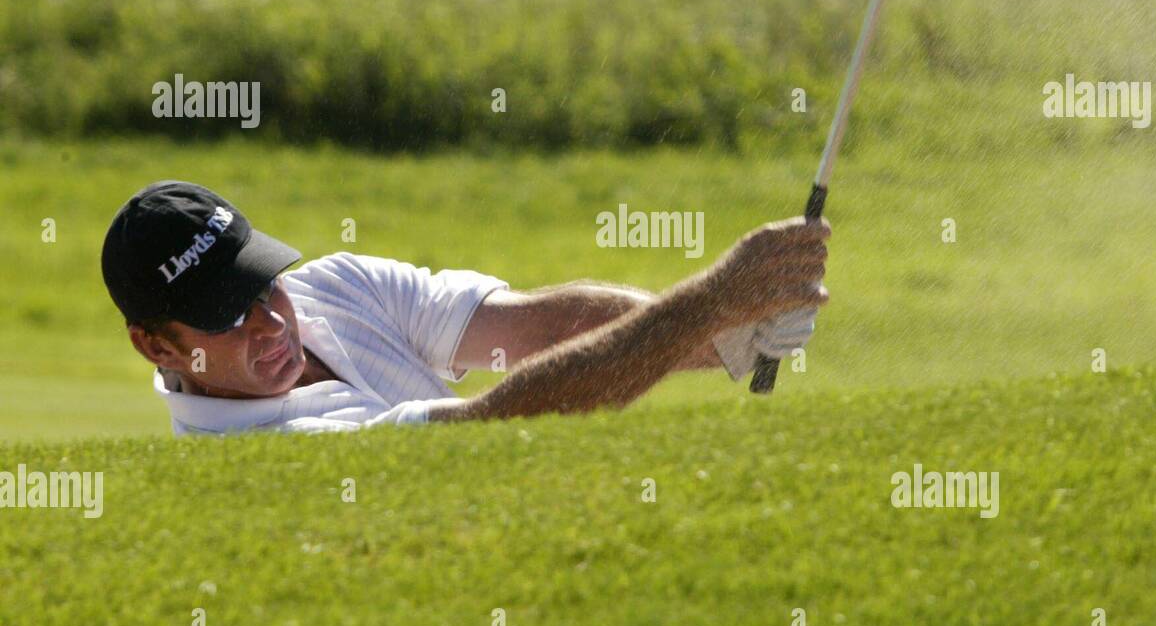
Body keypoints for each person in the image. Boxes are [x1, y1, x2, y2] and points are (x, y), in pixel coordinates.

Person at [101, 181, 829, 435]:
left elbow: (535, 328)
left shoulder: (336, 284)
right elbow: (499, 422)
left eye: (264, 285)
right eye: (227, 313)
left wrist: (729, 335)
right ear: (157, 346)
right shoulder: (253, 458)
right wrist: (708, 303)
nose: (270, 322)